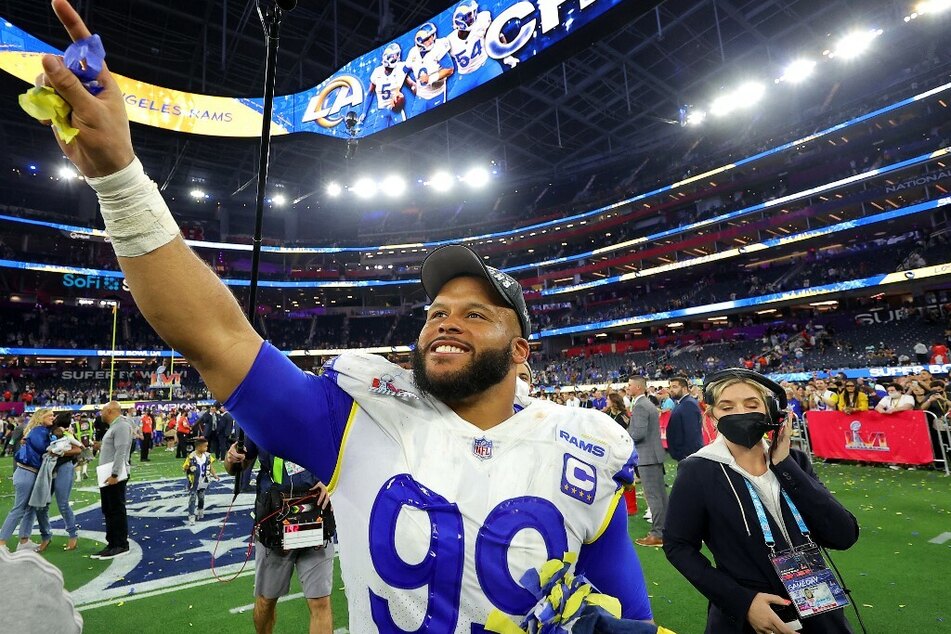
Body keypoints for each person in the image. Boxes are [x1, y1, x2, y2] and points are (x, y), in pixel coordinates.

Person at [34, 3, 652, 629]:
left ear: (520, 350)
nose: (444, 321)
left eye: (475, 313)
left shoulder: (586, 446)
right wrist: (120, 180)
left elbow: (629, 615)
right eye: (435, 311)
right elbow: (212, 337)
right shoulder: (359, 414)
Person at [664, 369, 859, 634]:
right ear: (712, 416)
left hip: (820, 609)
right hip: (748, 618)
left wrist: (784, 464)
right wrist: (743, 602)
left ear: (773, 414)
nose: (741, 412)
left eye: (752, 404)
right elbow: (678, 546)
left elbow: (843, 535)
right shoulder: (697, 470)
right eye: (727, 406)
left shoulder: (794, 462)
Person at [224, 437, 334, 634]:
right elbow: (237, 465)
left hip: (316, 517)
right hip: (274, 521)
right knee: (266, 601)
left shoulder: (321, 412)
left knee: (321, 602)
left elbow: (344, 455)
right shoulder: (260, 418)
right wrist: (231, 458)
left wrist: (332, 482)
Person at [0, 409, 55, 552]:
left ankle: (24, 541)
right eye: (49, 415)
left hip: (30, 473)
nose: (52, 417)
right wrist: (58, 444)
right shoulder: (39, 430)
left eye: (53, 415)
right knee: (19, 508)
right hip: (26, 472)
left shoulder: (40, 430)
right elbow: (42, 448)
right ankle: (1, 543)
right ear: (40, 417)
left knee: (30, 508)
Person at [627, 376, 668, 548]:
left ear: (637, 387)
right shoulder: (646, 404)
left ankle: (658, 534)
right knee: (659, 496)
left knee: (654, 497)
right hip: (652, 455)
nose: (627, 388)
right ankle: (664, 530)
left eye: (629, 385)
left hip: (647, 457)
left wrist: (623, 436)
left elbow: (638, 434)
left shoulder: (641, 406)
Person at [92, 401, 133, 559]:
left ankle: (121, 544)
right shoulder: (115, 426)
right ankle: (112, 543)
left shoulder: (121, 425)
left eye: (103, 410)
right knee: (109, 509)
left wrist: (115, 474)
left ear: (110, 410)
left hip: (114, 474)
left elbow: (121, 450)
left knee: (116, 508)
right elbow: (115, 448)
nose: (101, 414)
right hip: (107, 473)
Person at [182, 438, 219, 525]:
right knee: (193, 498)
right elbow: (184, 468)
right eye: (205, 446)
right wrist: (190, 468)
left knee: (201, 497)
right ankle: (191, 515)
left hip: (203, 480)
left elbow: (210, 466)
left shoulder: (207, 455)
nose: (207, 448)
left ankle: (200, 510)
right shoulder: (191, 457)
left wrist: (215, 475)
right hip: (194, 482)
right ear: (199, 447)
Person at [666, 377, 704, 462]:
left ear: (684, 389)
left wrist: (687, 455)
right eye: (670, 387)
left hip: (687, 456)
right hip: (684, 455)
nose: (671, 390)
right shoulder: (682, 403)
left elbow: (692, 433)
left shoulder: (688, 404)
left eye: (675, 387)